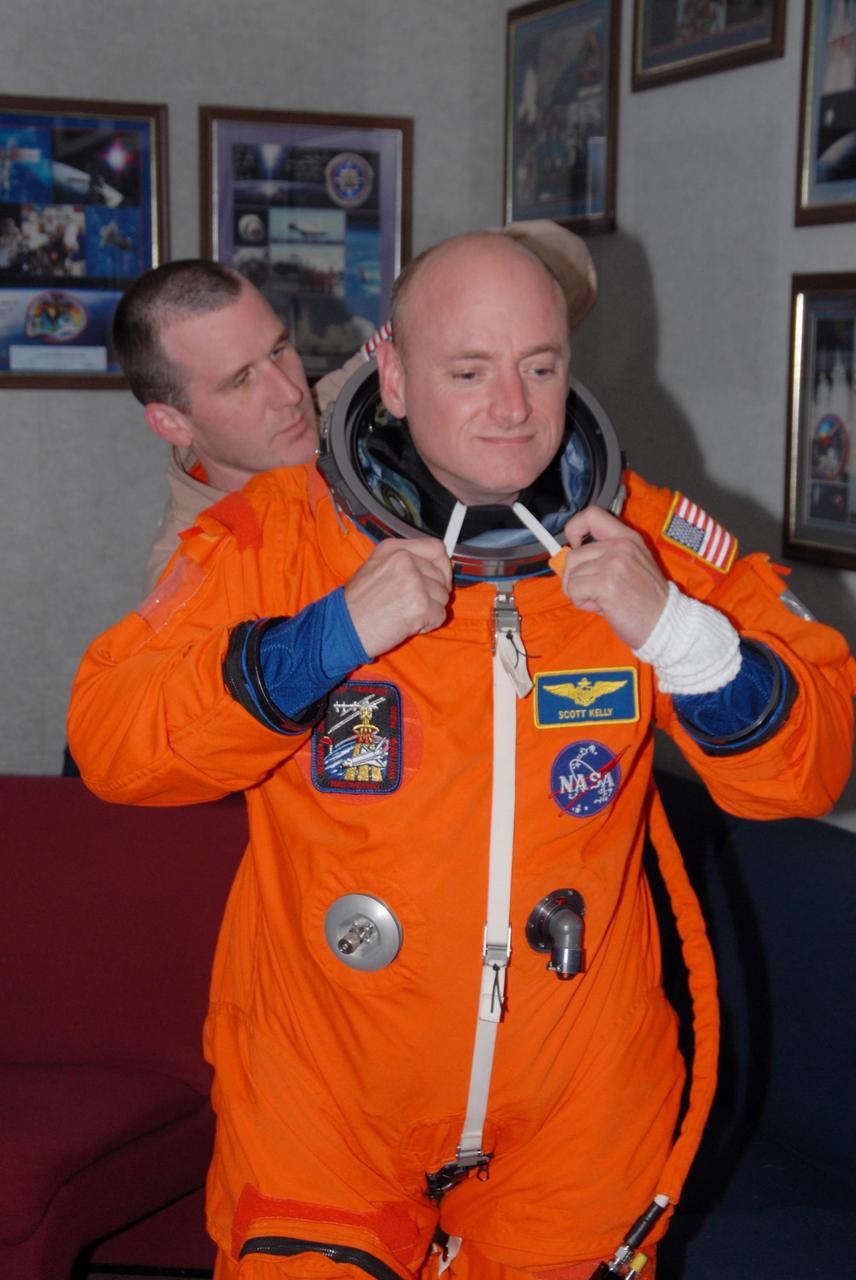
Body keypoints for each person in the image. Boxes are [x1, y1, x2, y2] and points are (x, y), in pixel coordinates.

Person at [68, 232, 855, 1280]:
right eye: (468, 370)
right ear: (389, 371)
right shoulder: (272, 542)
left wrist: (676, 631)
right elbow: (115, 737)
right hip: (329, 1099)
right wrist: (326, 637)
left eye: (539, 365)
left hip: (578, 1103)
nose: (513, 409)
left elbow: (806, 764)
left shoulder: (646, 542)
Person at [120, 224, 595, 592]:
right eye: (241, 380)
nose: (289, 392)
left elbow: (564, 254)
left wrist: (476, 273)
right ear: (172, 423)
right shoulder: (191, 575)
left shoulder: (350, 399)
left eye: (278, 350)